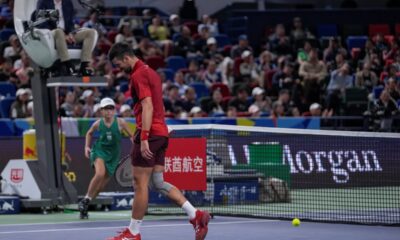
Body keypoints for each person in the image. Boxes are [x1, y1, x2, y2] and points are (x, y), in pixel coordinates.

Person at [108, 42, 210, 240]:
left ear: (127, 57)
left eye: (119, 64)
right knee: (158, 182)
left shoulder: (138, 75)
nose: (119, 68)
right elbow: (155, 103)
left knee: (140, 184)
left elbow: (147, 106)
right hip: (161, 132)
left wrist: (144, 137)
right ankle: (195, 215)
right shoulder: (151, 71)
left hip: (150, 133)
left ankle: (133, 233)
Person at [78, 97, 134, 219]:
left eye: (111, 108)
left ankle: (85, 204)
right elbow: (89, 133)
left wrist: (136, 145)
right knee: (100, 174)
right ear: (101, 111)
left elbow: (132, 136)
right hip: (99, 151)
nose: (108, 111)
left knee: (101, 187)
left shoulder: (121, 123)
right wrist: (86, 147)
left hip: (113, 156)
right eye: (106, 109)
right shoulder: (98, 124)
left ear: (114, 110)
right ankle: (86, 199)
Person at [35, 0, 97, 76]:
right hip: (50, 33)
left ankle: (84, 66)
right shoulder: (43, 2)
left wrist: (71, 33)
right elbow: (41, 23)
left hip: (67, 34)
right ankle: (67, 65)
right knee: (59, 32)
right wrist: (63, 35)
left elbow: (70, 23)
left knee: (90, 32)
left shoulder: (67, 2)